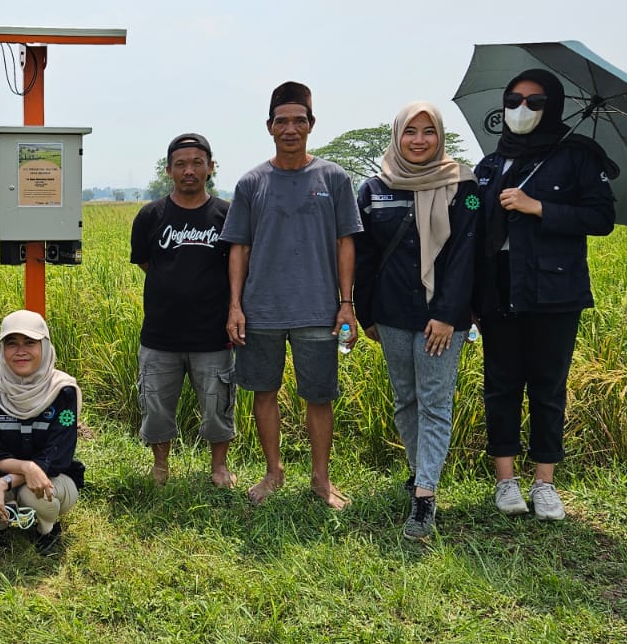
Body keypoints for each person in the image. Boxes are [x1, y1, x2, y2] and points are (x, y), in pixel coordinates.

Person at [474, 69, 617, 521]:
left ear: (552, 106)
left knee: (548, 387)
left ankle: (545, 484)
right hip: (499, 290)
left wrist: (539, 207)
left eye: (534, 102)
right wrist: (470, 197)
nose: (522, 110)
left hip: (555, 291)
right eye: (514, 100)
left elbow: (601, 218)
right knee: (500, 384)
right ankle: (505, 481)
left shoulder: (577, 157)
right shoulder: (492, 164)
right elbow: (472, 211)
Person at [223, 81, 362, 509]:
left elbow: (345, 242)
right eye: (281, 121)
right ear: (269, 127)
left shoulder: (334, 179)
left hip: (318, 308)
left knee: (319, 395)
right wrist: (235, 305)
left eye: (298, 120)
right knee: (263, 392)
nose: (290, 128)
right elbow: (239, 247)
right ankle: (274, 471)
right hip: (261, 308)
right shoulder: (251, 183)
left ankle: (321, 479)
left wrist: (346, 304)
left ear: (311, 124)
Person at [354, 102, 479, 540]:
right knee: (405, 400)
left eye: (429, 131)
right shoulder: (374, 189)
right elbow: (365, 256)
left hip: (442, 319)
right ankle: (418, 471)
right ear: (397, 136)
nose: (420, 139)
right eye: (411, 131)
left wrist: (446, 315)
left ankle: (425, 495)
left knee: (434, 401)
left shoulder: (463, 186)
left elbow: (466, 255)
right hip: (390, 314)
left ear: (440, 136)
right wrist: (364, 312)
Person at [128, 131, 237, 488]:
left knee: (218, 405)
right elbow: (146, 262)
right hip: (161, 334)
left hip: (213, 335)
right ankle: (161, 466)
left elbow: (238, 267)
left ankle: (218, 467)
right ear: (169, 170)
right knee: (157, 405)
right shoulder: (150, 215)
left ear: (210, 167)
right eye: (180, 164)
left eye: (197, 163)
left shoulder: (227, 215)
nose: (189, 170)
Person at [0, 310, 84, 554]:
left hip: (52, 476)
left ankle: (47, 530)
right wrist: (25, 469)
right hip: (0, 473)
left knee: (37, 496)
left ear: (44, 346)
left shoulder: (63, 391)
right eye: (12, 343)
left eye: (29, 342)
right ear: (2, 349)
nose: (20, 351)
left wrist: (9, 481)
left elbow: (58, 454)